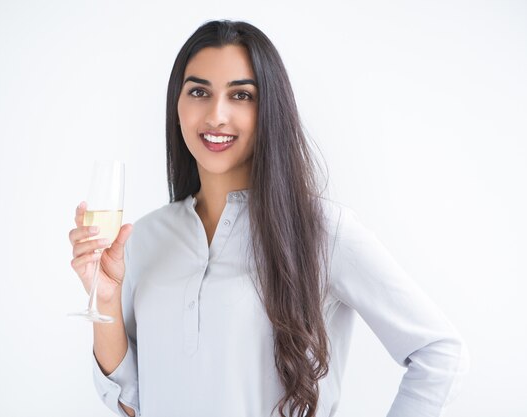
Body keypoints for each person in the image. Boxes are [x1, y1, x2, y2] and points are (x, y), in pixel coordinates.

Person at [68, 20, 469, 417]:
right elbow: (131, 402)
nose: (216, 115)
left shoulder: (323, 231)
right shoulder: (144, 236)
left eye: (241, 95)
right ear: (177, 106)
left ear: (269, 110)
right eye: (198, 91)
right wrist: (105, 300)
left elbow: (438, 353)